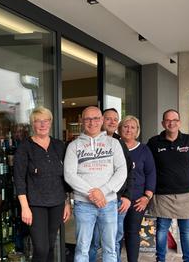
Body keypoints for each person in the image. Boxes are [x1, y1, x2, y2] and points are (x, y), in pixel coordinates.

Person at [147, 109, 189, 262]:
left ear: (179, 122)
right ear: (163, 123)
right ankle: (160, 260)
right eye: (167, 120)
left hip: (186, 194)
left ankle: (188, 260)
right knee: (162, 230)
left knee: (186, 231)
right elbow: (146, 166)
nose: (171, 123)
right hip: (162, 194)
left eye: (174, 120)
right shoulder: (154, 142)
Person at [64, 106, 127, 262]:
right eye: (87, 119)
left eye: (96, 118)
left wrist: (103, 192)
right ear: (82, 121)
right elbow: (69, 175)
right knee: (82, 249)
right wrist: (93, 193)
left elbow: (122, 171)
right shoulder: (73, 146)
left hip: (109, 203)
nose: (92, 122)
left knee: (110, 249)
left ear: (101, 120)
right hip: (83, 205)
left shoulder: (114, 143)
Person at [13, 106, 72, 262]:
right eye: (38, 121)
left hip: (57, 203)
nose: (42, 124)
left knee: (51, 245)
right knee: (41, 248)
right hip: (35, 204)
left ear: (50, 123)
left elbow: (65, 177)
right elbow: (19, 179)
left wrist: (67, 202)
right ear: (33, 124)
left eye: (45, 120)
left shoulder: (59, 146)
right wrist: (25, 207)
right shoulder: (25, 147)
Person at [89, 108, 133, 262]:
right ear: (101, 120)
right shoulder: (90, 142)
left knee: (114, 240)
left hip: (117, 200)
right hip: (94, 200)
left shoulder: (120, 143)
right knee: (93, 241)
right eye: (108, 118)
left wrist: (127, 196)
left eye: (115, 119)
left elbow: (129, 172)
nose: (112, 122)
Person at [119, 115, 156, 262]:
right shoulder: (114, 146)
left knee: (132, 232)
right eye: (125, 126)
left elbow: (151, 173)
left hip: (137, 200)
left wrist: (147, 197)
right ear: (120, 129)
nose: (128, 130)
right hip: (116, 198)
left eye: (132, 127)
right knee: (115, 233)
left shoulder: (144, 150)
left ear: (137, 131)